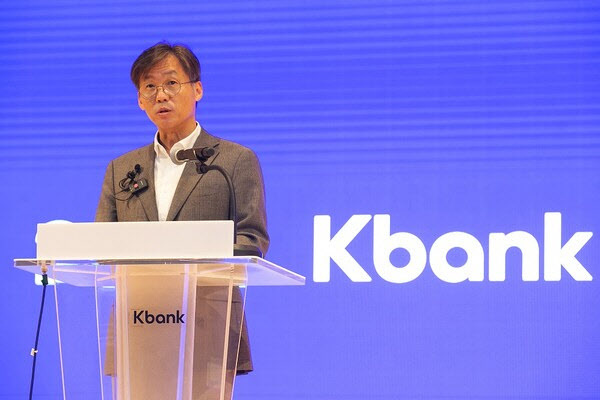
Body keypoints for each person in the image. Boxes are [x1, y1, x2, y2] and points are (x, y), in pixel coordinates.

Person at [95, 42, 268, 382]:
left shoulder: (234, 161)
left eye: (171, 83)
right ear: (139, 99)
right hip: (138, 320)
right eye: (150, 86)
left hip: (209, 323)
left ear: (197, 89)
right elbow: (103, 244)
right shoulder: (121, 168)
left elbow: (252, 240)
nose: (161, 95)